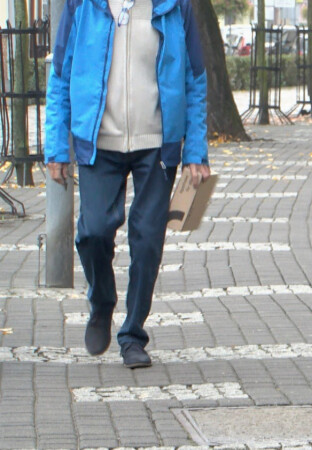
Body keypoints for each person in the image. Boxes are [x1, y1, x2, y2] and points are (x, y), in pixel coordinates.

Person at [45, 0, 211, 369]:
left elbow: (195, 78)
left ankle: (133, 335)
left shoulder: (174, 7)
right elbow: (60, 75)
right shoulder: (83, 5)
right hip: (98, 140)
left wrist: (195, 151)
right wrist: (57, 146)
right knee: (94, 232)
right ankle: (102, 302)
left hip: (157, 143)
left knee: (148, 240)